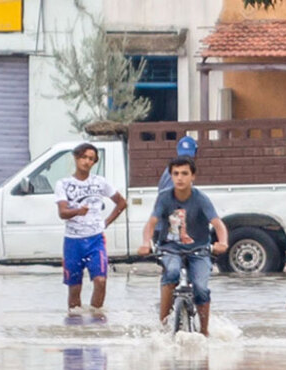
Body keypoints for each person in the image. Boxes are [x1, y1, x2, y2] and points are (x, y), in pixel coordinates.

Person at [138, 156, 229, 337]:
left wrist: (223, 242)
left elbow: (218, 224)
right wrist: (145, 243)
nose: (180, 178)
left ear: (193, 176)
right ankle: (163, 326)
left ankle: (204, 331)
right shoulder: (164, 197)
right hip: (170, 248)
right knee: (171, 273)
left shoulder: (201, 199)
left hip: (199, 250)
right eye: (176, 173)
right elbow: (151, 223)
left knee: (201, 288)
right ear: (171, 176)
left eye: (185, 173)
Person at [56, 143, 127, 316]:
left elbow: (121, 202)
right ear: (76, 158)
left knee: (101, 281)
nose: (87, 162)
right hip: (73, 242)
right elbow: (62, 213)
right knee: (74, 288)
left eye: (91, 159)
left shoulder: (99, 182)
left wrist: (106, 222)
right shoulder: (63, 184)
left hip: (95, 239)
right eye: (84, 157)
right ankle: (75, 324)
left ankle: (96, 319)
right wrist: (78, 211)